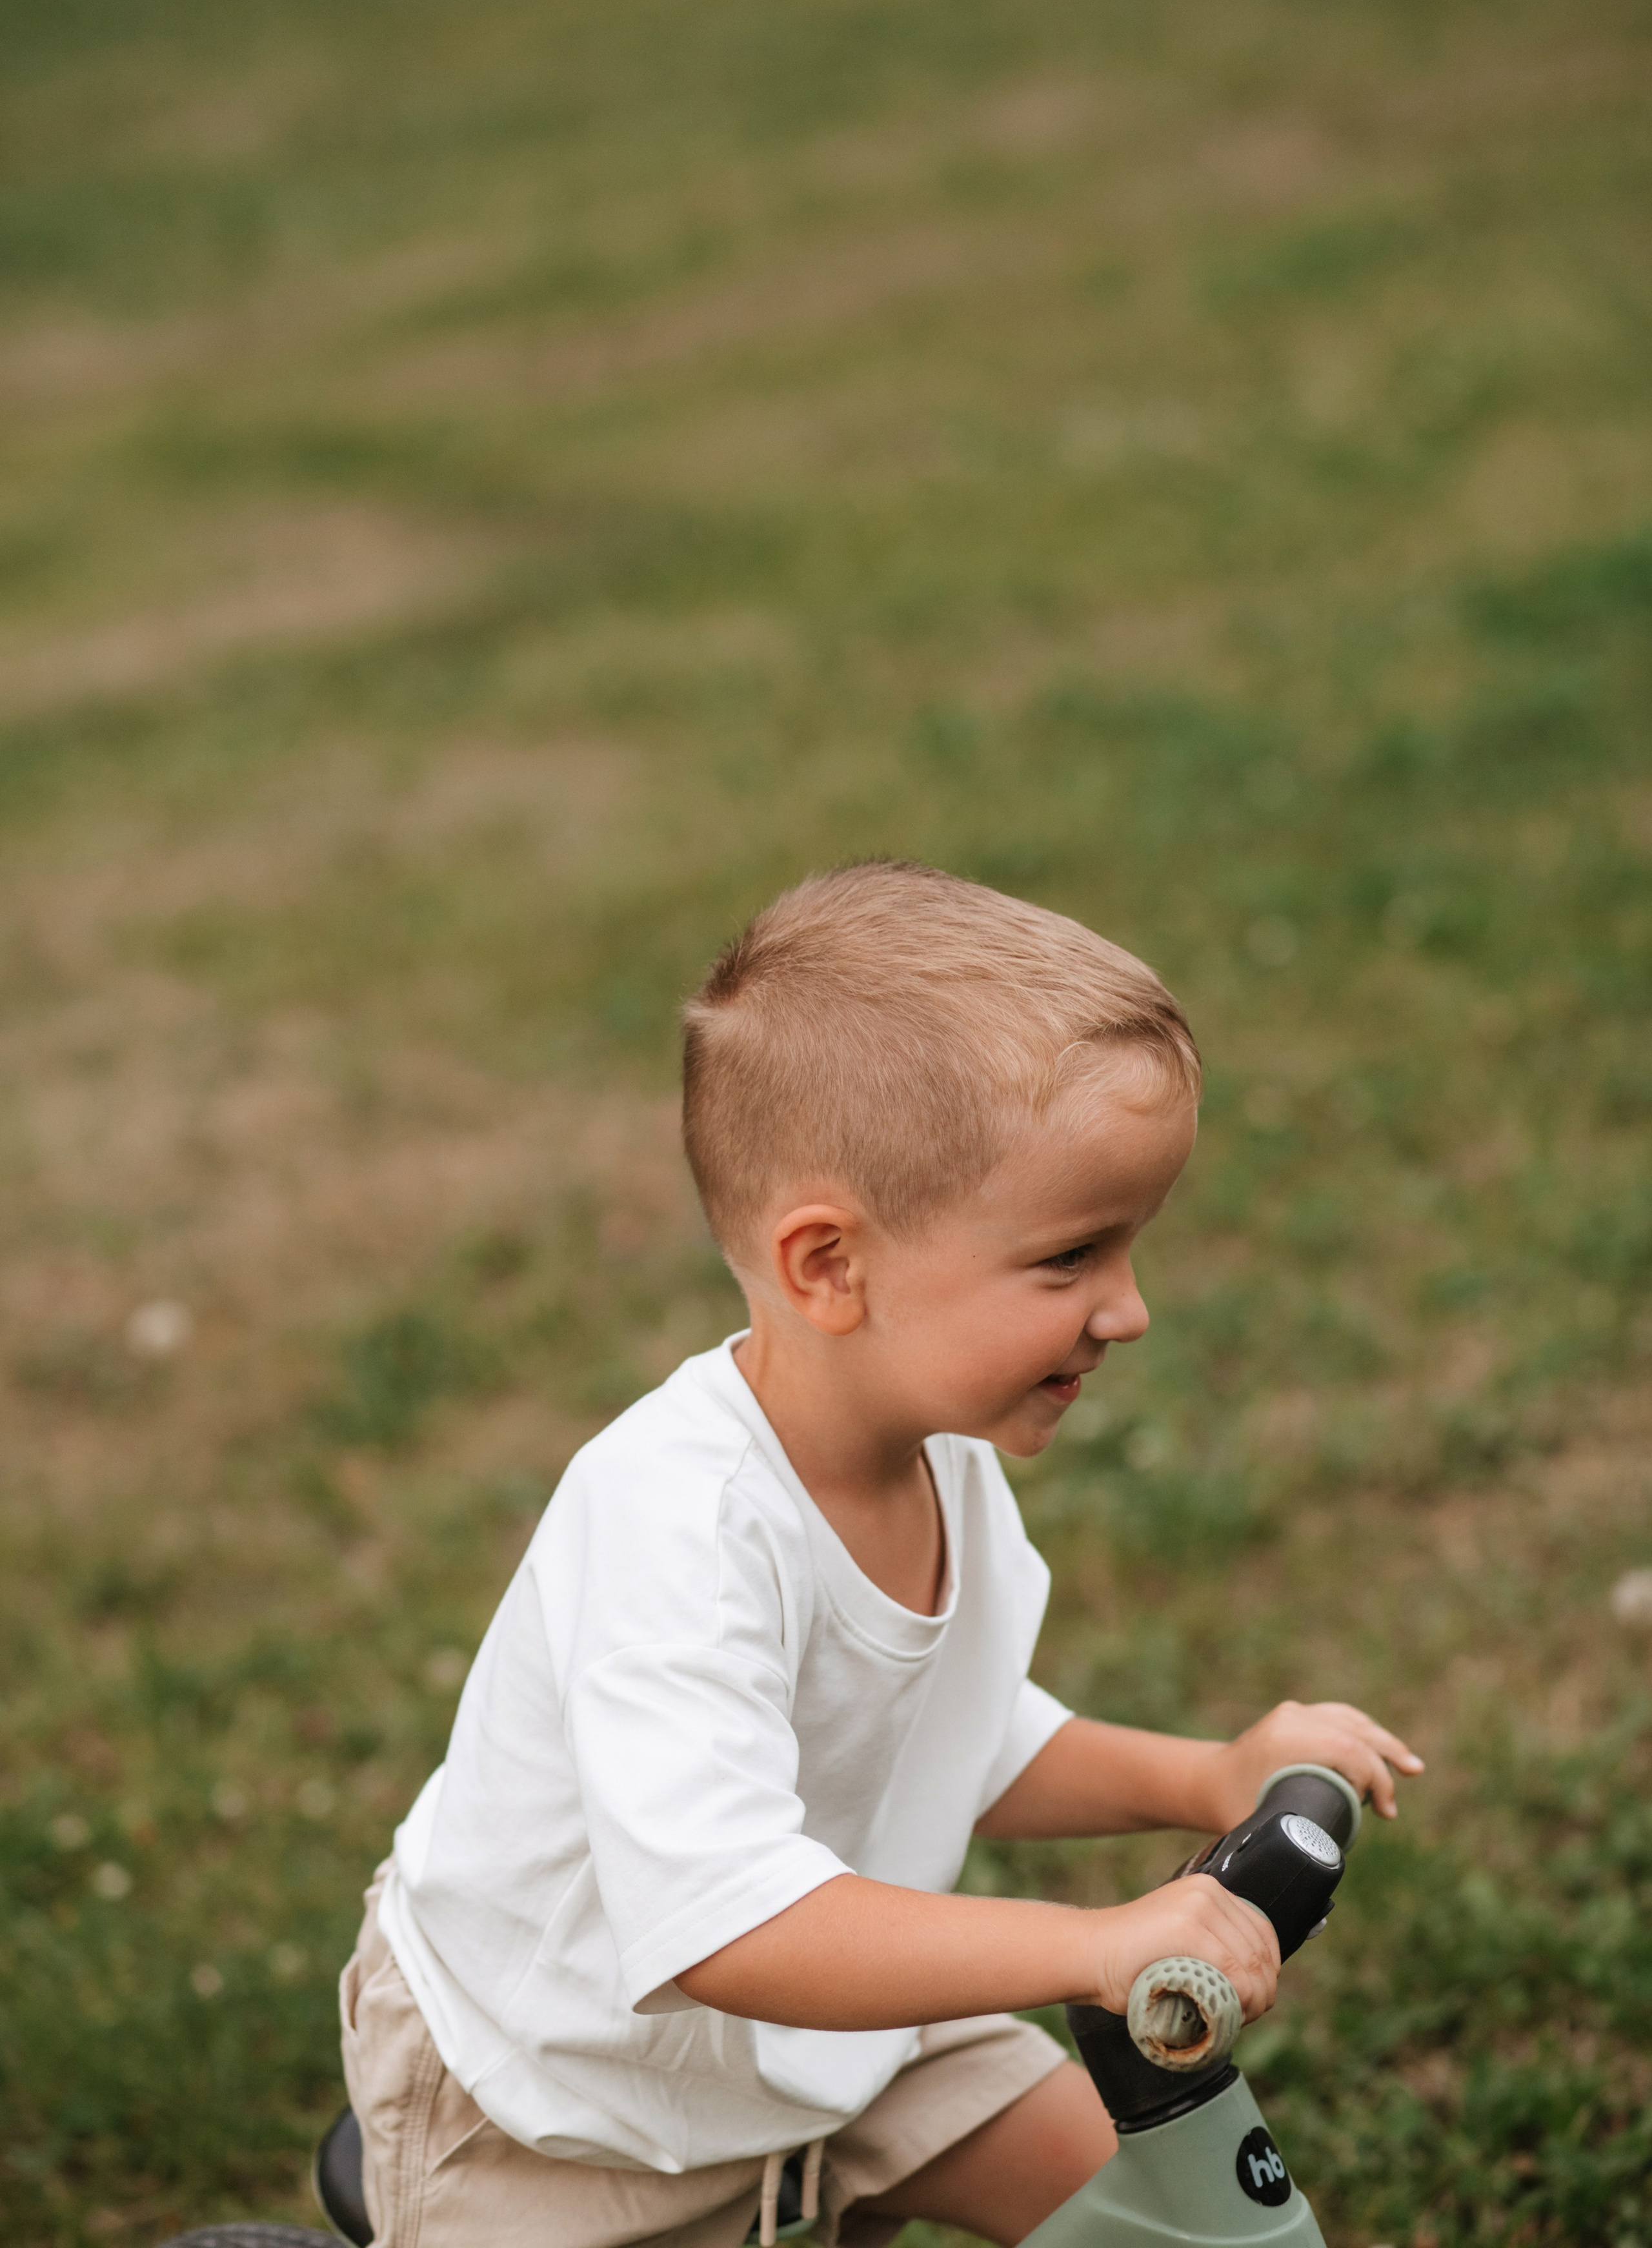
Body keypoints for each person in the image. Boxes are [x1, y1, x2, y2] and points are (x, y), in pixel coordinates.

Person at [340, 860, 1422, 2248]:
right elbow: (734, 1925)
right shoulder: (676, 1524)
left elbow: (958, 1735)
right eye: (1070, 1258)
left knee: (1165, 2213)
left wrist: (1198, 1776)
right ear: (827, 1268)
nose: (1129, 1309)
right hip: (569, 2101)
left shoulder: (941, 1457)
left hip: (848, 2033)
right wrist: (1094, 1944)